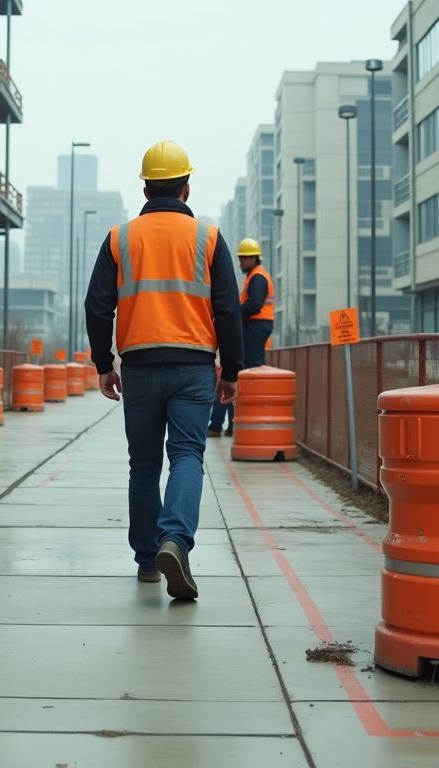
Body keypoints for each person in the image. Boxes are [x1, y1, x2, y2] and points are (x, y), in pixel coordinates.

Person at [84, 140, 243, 600]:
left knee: (144, 465)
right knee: (188, 456)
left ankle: (149, 561)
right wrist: (230, 371)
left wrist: (102, 364)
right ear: (186, 188)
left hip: (138, 366)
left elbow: (98, 307)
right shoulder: (208, 238)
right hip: (194, 366)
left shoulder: (120, 238)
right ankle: (175, 538)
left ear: (147, 187)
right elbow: (229, 310)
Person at [216, 238, 275, 434]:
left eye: (242, 259)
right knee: (248, 371)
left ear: (252, 258)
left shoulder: (257, 277)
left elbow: (255, 305)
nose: (240, 263)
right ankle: (238, 422)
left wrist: (233, 313)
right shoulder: (254, 276)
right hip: (256, 327)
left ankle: (246, 419)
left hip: (255, 327)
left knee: (250, 371)